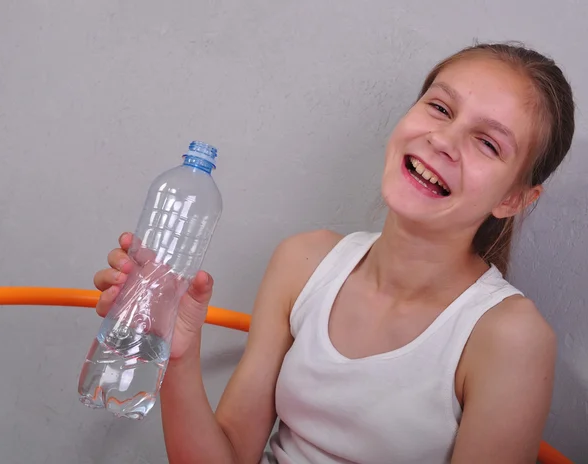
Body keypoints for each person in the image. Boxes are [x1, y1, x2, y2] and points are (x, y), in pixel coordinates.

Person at [92, 42, 575, 463]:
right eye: (440, 109)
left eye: (488, 143)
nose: (443, 141)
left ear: (514, 199)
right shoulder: (303, 262)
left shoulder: (510, 338)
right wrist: (176, 354)